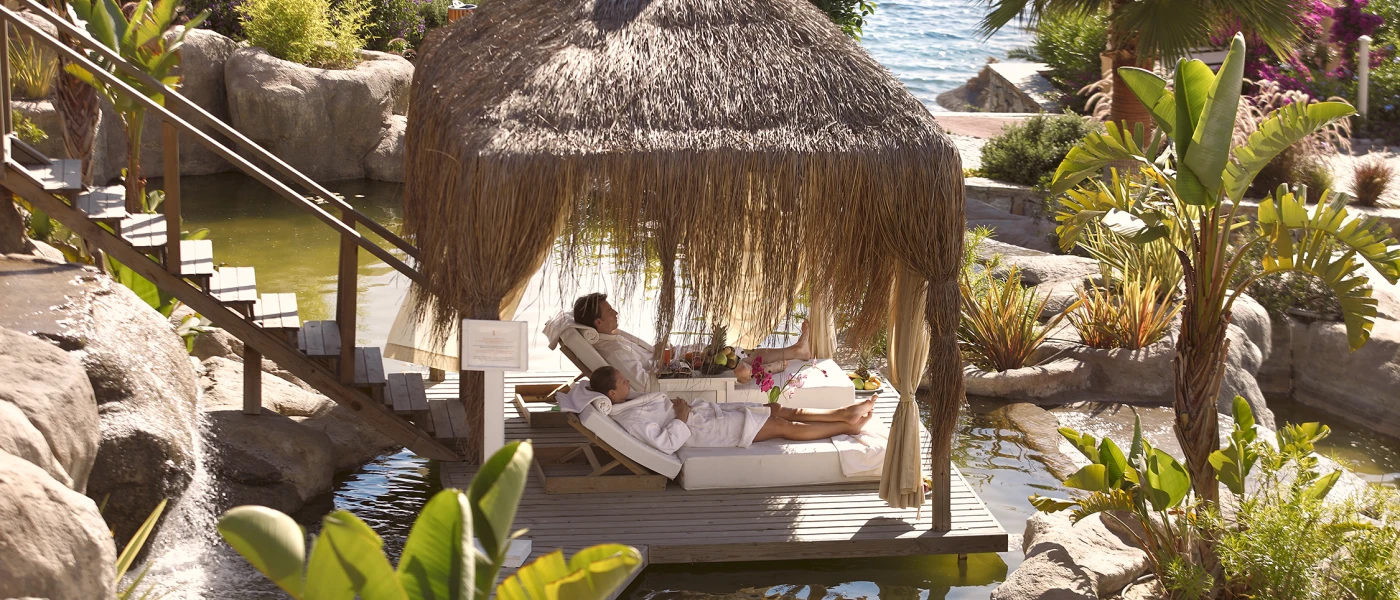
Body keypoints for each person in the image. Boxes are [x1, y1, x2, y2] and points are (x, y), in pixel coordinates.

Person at [588, 366, 874, 454]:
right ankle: (846, 426)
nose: (628, 379)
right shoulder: (630, 419)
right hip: (709, 430)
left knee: (776, 408)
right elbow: (665, 444)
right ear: (612, 393)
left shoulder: (628, 401)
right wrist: (682, 416)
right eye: (622, 380)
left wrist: (678, 406)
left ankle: (844, 412)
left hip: (706, 413)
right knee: (782, 427)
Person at [571, 292, 812, 393]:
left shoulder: (613, 335)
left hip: (673, 361)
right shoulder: (612, 351)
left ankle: (794, 351)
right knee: (734, 365)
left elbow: (648, 356)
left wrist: (669, 351)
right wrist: (676, 365)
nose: (616, 313)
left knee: (728, 351)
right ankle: (771, 367)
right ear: (598, 323)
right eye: (610, 312)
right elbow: (645, 384)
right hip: (673, 375)